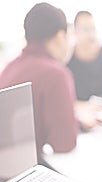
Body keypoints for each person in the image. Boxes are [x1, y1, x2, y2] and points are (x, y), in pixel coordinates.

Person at [0, 2, 78, 157]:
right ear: (60, 36)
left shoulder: (10, 68)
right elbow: (64, 144)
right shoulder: (56, 74)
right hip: (24, 171)